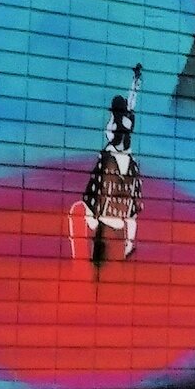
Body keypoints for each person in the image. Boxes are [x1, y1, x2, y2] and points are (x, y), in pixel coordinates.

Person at [72, 64, 144, 264]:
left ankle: (94, 220)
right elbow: (133, 100)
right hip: (128, 163)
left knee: (95, 190)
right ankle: (129, 243)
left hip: (113, 161)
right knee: (131, 205)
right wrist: (136, 81)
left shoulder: (113, 125)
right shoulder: (128, 120)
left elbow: (111, 138)